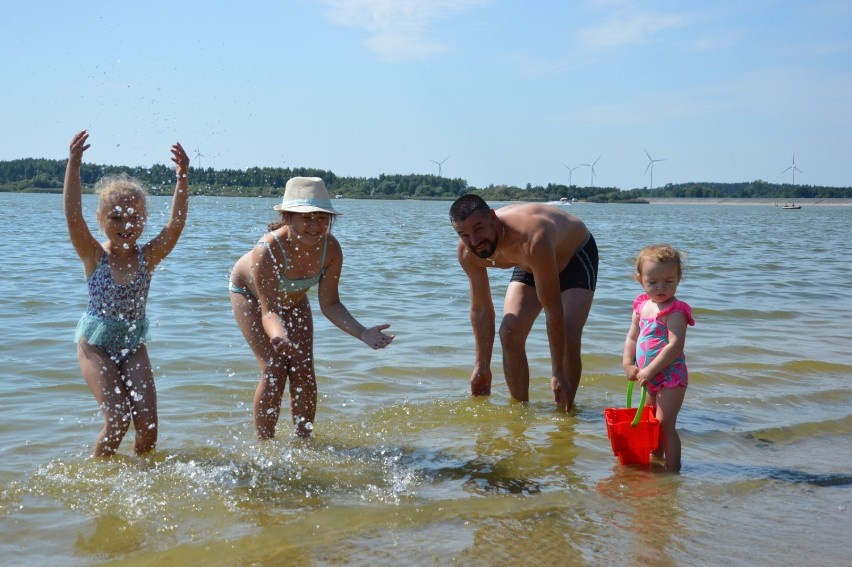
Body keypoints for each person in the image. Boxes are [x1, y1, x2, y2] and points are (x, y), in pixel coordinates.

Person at [229, 177, 394, 439]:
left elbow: (330, 303)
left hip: (294, 299)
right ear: (288, 217)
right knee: (274, 368)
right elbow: (269, 309)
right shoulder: (268, 248)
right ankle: (264, 445)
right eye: (306, 217)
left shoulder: (331, 249)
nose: (315, 226)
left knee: (303, 367)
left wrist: (363, 333)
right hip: (251, 297)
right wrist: (277, 335)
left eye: (322, 218)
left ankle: (304, 441)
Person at [63, 130, 190, 457]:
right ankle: (98, 477)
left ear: (144, 220)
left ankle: (142, 479)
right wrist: (73, 165)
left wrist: (182, 178)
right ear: (101, 219)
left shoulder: (148, 257)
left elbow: (174, 225)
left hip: (132, 344)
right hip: (95, 346)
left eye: (134, 217)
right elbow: (73, 216)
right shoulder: (94, 255)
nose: (125, 224)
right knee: (118, 420)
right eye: (116, 217)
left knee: (148, 426)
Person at [449, 194, 598, 412]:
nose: (474, 241)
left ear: (492, 217)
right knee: (509, 332)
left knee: (568, 332)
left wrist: (557, 371)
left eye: (478, 229)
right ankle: (521, 414)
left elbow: (553, 310)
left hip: (574, 256)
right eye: (464, 234)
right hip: (530, 263)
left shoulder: (530, 237)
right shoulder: (467, 253)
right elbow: (481, 309)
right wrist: (482, 366)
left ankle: (566, 414)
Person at [622, 244, 694, 472]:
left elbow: (674, 346)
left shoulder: (675, 310)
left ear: (678, 278)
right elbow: (632, 337)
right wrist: (628, 363)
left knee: (665, 424)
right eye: (653, 282)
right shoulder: (641, 306)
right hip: (647, 376)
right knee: (652, 423)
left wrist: (651, 370)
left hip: (670, 376)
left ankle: (672, 470)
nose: (661, 288)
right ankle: (656, 461)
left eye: (668, 282)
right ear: (640, 279)